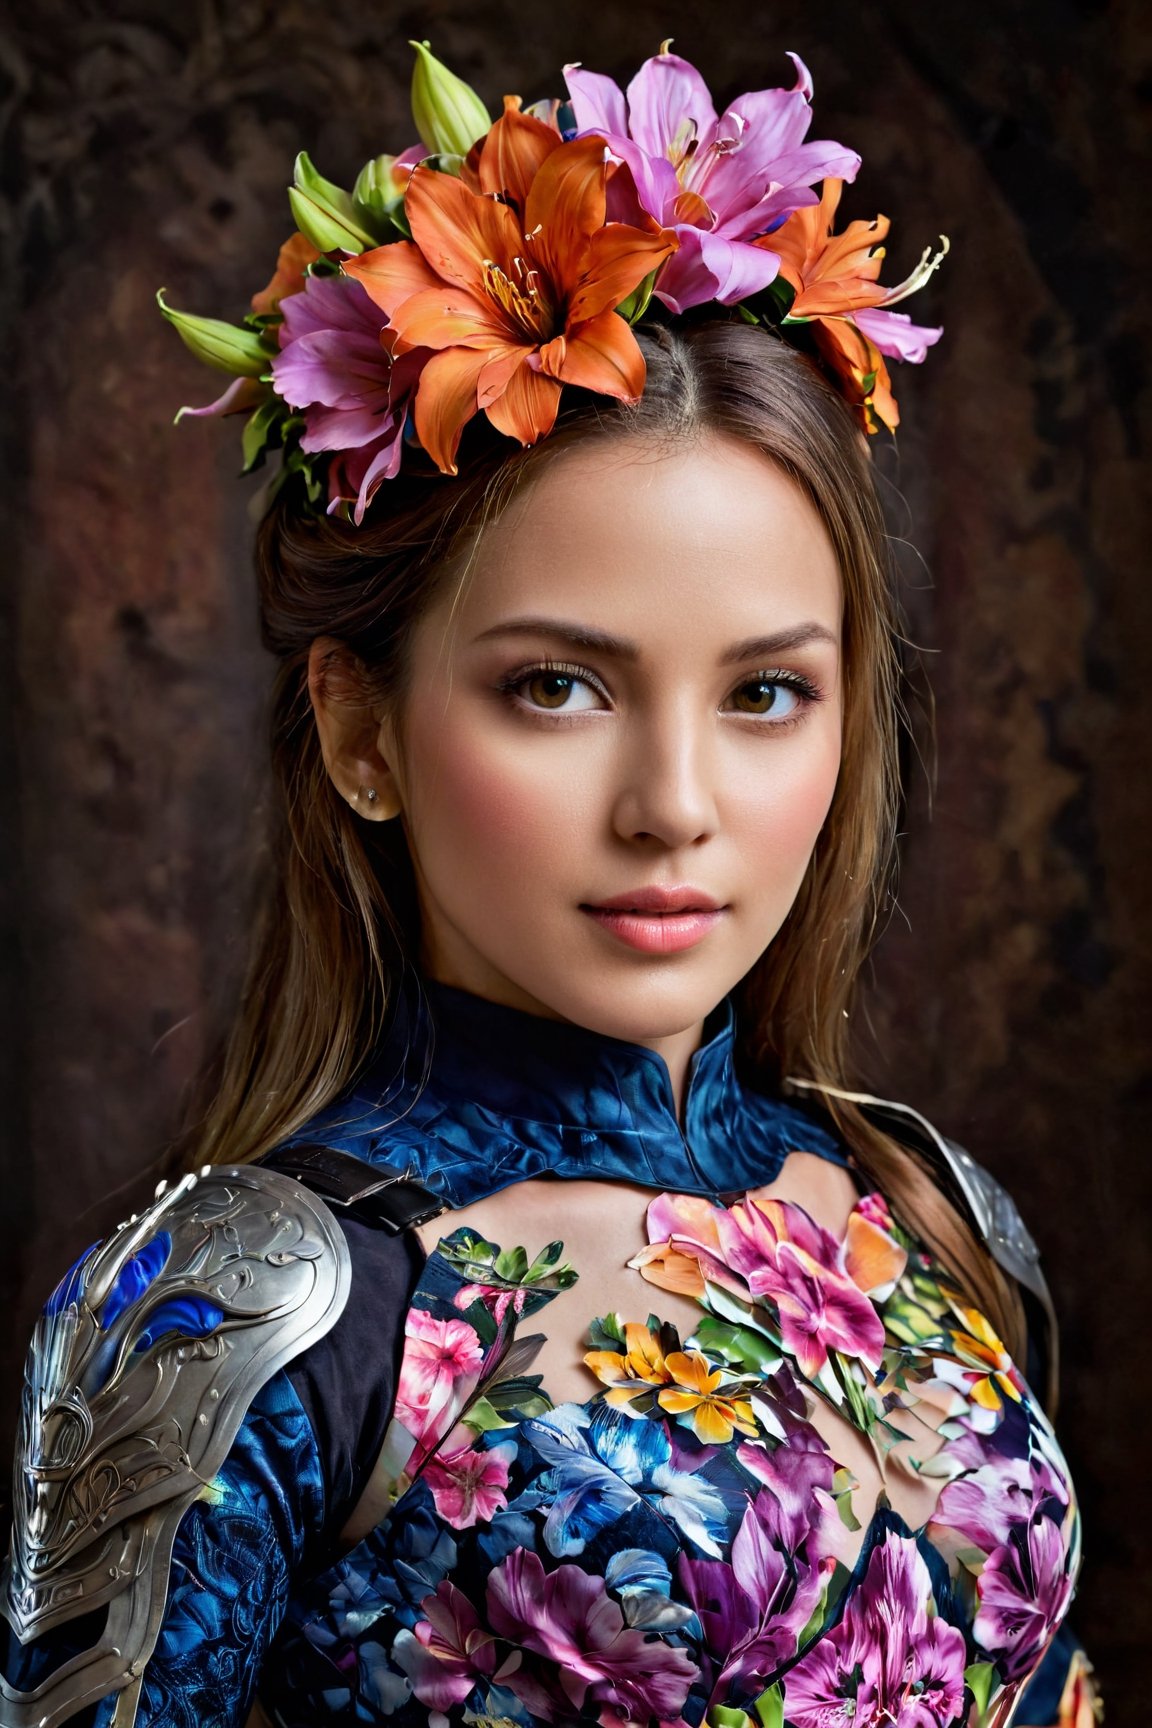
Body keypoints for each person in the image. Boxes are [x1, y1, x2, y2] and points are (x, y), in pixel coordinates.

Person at [0, 41, 1099, 1728]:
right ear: (362, 731)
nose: (674, 809)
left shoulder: (937, 1214)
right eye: (558, 688)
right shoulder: (250, 1318)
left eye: (765, 693)